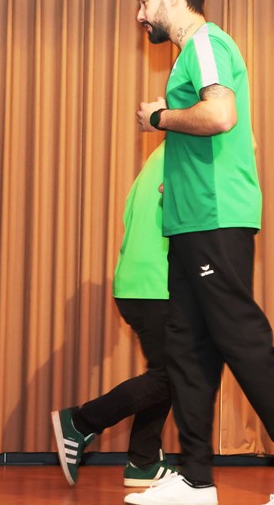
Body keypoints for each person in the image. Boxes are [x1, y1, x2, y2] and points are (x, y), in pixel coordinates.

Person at [125, 0, 274, 505]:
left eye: (145, 1)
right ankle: (195, 477)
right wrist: (182, 175)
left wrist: (160, 118)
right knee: (187, 349)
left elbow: (221, 116)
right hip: (193, 220)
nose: (140, 14)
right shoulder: (189, 55)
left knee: (240, 337)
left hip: (215, 220)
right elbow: (236, 140)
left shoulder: (205, 43)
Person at [51, 141, 178, 488]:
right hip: (155, 284)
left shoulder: (160, 156)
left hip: (140, 284)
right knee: (172, 375)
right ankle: (80, 422)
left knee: (166, 373)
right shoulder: (185, 154)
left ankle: (143, 462)